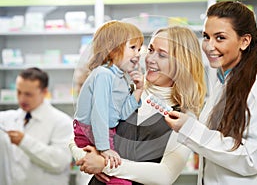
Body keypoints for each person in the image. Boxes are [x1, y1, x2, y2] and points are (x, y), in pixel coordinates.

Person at [165, 1, 257, 185]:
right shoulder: (222, 84)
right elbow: (214, 143)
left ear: (244, 41)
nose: (209, 46)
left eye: (220, 38)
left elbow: (251, 159)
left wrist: (190, 129)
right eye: (206, 37)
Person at [69, 25, 207, 185]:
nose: (150, 59)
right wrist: (87, 158)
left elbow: (165, 174)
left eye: (162, 55)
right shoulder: (127, 88)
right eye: (150, 50)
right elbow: (77, 136)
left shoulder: (185, 116)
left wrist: (104, 164)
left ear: (182, 64)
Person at [73, 20, 144, 185]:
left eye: (139, 49)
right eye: (132, 48)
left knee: (122, 166)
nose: (138, 54)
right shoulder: (104, 75)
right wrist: (105, 149)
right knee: (118, 170)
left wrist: (138, 90)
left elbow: (122, 114)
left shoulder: (121, 77)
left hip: (106, 130)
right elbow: (99, 114)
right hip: (90, 131)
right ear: (112, 50)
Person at [0, 67, 73, 185]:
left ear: (44, 92)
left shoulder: (62, 122)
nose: (22, 99)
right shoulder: (8, 118)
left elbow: (59, 162)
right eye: (19, 92)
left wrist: (24, 141)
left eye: (28, 94)